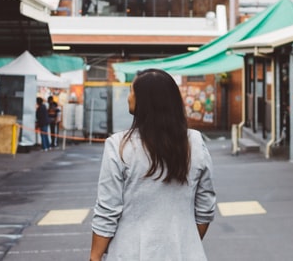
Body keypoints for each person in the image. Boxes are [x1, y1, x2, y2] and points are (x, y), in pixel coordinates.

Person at [90, 69, 216, 260]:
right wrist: (182, 242)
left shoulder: (118, 146)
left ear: (144, 100)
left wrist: (95, 257)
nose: (128, 97)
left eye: (131, 91)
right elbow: (205, 207)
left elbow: (107, 211)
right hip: (185, 253)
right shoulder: (195, 142)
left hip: (131, 253)